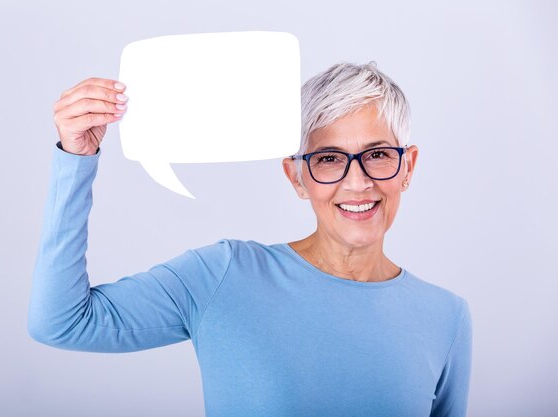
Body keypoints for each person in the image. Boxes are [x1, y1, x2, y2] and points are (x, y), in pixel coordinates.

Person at [28, 62, 472, 417]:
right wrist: (76, 156)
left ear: (407, 167)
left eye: (377, 155)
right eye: (329, 158)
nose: (356, 183)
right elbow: (61, 321)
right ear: (296, 176)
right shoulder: (224, 276)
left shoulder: (446, 317)